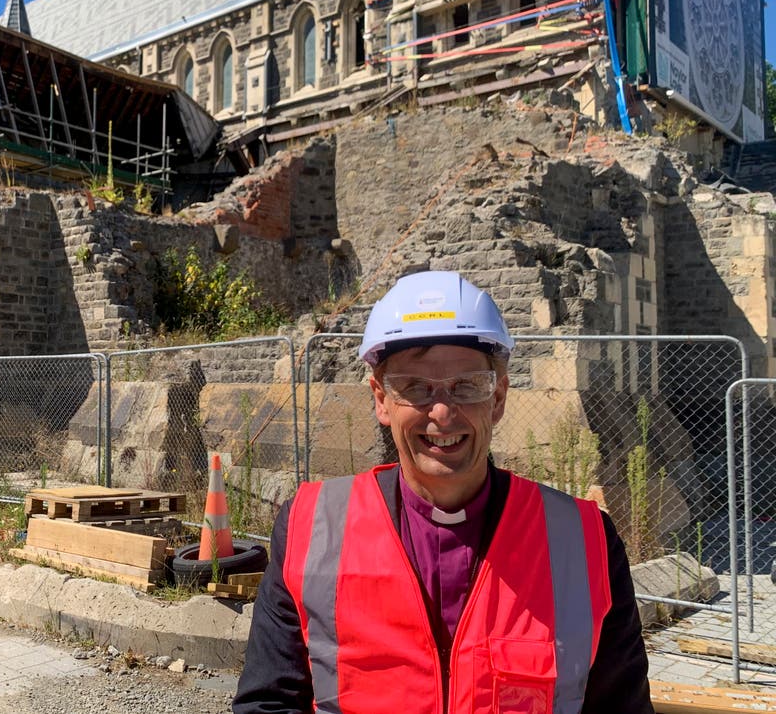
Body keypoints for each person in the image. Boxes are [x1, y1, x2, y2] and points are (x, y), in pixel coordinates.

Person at [233, 270, 652, 714]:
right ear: (380, 399)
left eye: (467, 386)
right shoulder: (311, 527)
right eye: (415, 388)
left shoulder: (584, 541)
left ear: (499, 396)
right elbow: (269, 704)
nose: (442, 412)